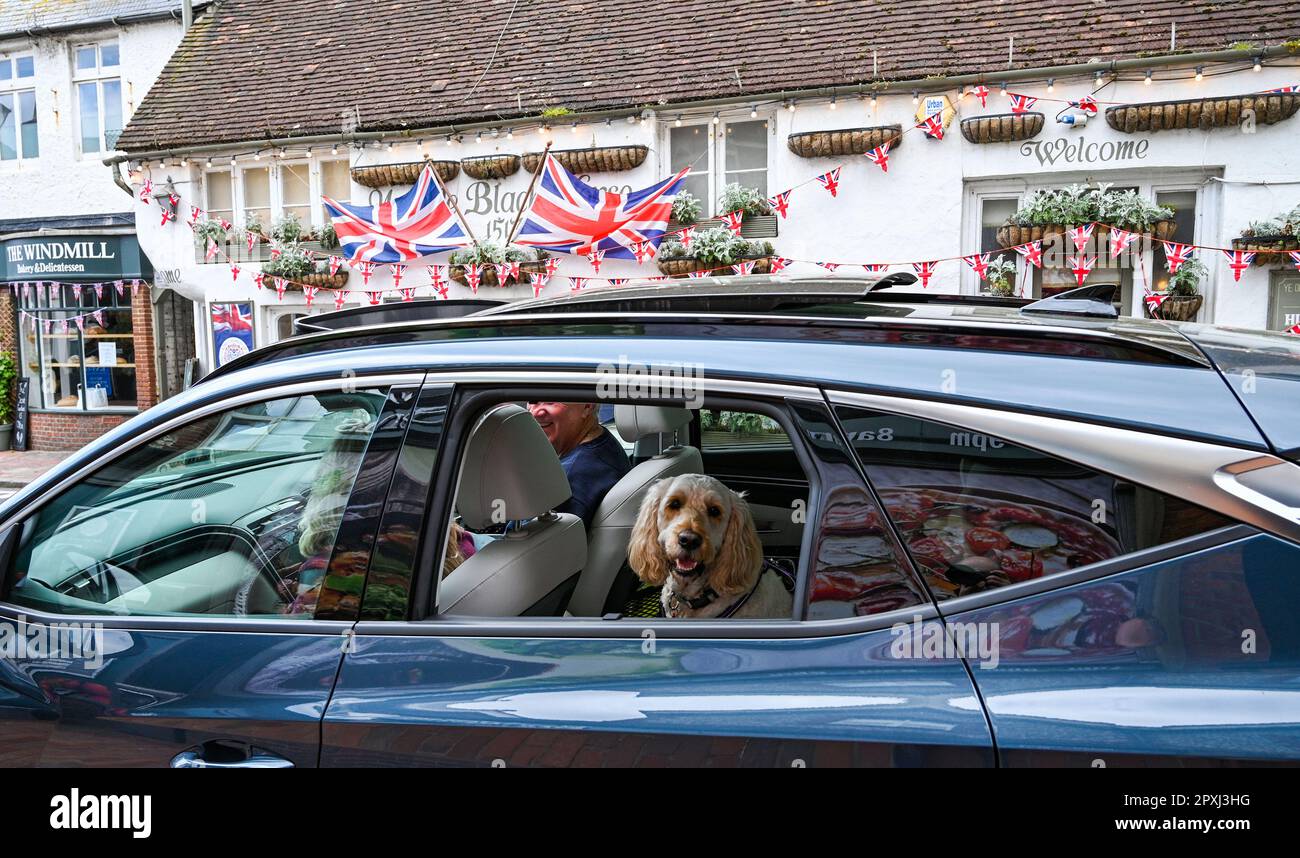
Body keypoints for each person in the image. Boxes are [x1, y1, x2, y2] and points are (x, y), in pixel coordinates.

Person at [528, 401, 631, 528]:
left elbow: (525, 543)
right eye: (532, 401)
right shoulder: (602, 442)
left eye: (551, 401)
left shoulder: (567, 482)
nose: (535, 412)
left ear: (587, 406)